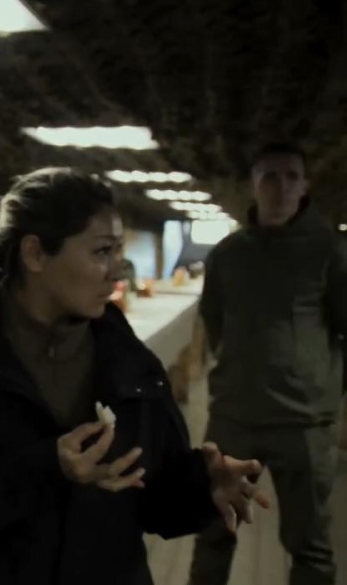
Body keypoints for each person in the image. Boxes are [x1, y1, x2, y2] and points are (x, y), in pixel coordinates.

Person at [0, 168, 267, 585]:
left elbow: (155, 502)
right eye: (102, 251)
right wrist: (46, 468)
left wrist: (202, 488)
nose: (117, 271)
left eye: (118, 251)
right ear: (35, 254)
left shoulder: (129, 362)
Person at [189, 143, 347, 585]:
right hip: (234, 417)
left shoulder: (329, 251)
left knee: (309, 543)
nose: (282, 187)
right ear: (253, 186)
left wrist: (326, 390)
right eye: (270, 177)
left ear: (305, 186)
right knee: (213, 527)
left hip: (305, 423)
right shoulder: (228, 254)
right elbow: (214, 321)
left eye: (292, 176)